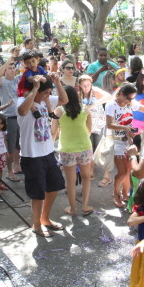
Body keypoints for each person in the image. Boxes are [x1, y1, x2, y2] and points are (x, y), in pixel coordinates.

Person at [18, 73, 68, 237]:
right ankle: (36, 224)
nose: (48, 95)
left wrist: (57, 82)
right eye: (45, 92)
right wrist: (36, 88)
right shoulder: (23, 102)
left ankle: (45, 218)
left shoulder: (46, 101)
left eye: (49, 92)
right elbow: (23, 110)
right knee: (37, 193)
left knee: (54, 186)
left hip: (48, 153)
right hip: (31, 156)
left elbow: (64, 100)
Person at [54, 85, 95, 217]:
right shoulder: (85, 109)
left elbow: (53, 132)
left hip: (66, 149)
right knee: (86, 177)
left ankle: (72, 208)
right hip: (84, 147)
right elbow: (89, 130)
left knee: (70, 181)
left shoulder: (59, 111)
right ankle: (85, 206)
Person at [106, 83, 139, 206]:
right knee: (122, 172)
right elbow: (109, 124)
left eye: (132, 98)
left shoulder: (129, 103)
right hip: (116, 141)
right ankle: (116, 194)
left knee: (129, 170)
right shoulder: (111, 105)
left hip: (128, 140)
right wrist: (124, 127)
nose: (130, 101)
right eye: (129, 98)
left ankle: (125, 194)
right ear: (120, 94)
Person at [0, 56, 23, 181]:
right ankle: (10, 171)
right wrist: (7, 62)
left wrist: (21, 61)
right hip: (9, 118)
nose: (12, 70)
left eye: (13, 68)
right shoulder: (2, 82)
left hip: (20, 117)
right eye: (9, 68)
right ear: (5, 70)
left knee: (18, 145)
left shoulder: (17, 79)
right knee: (10, 147)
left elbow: (26, 71)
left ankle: (17, 166)